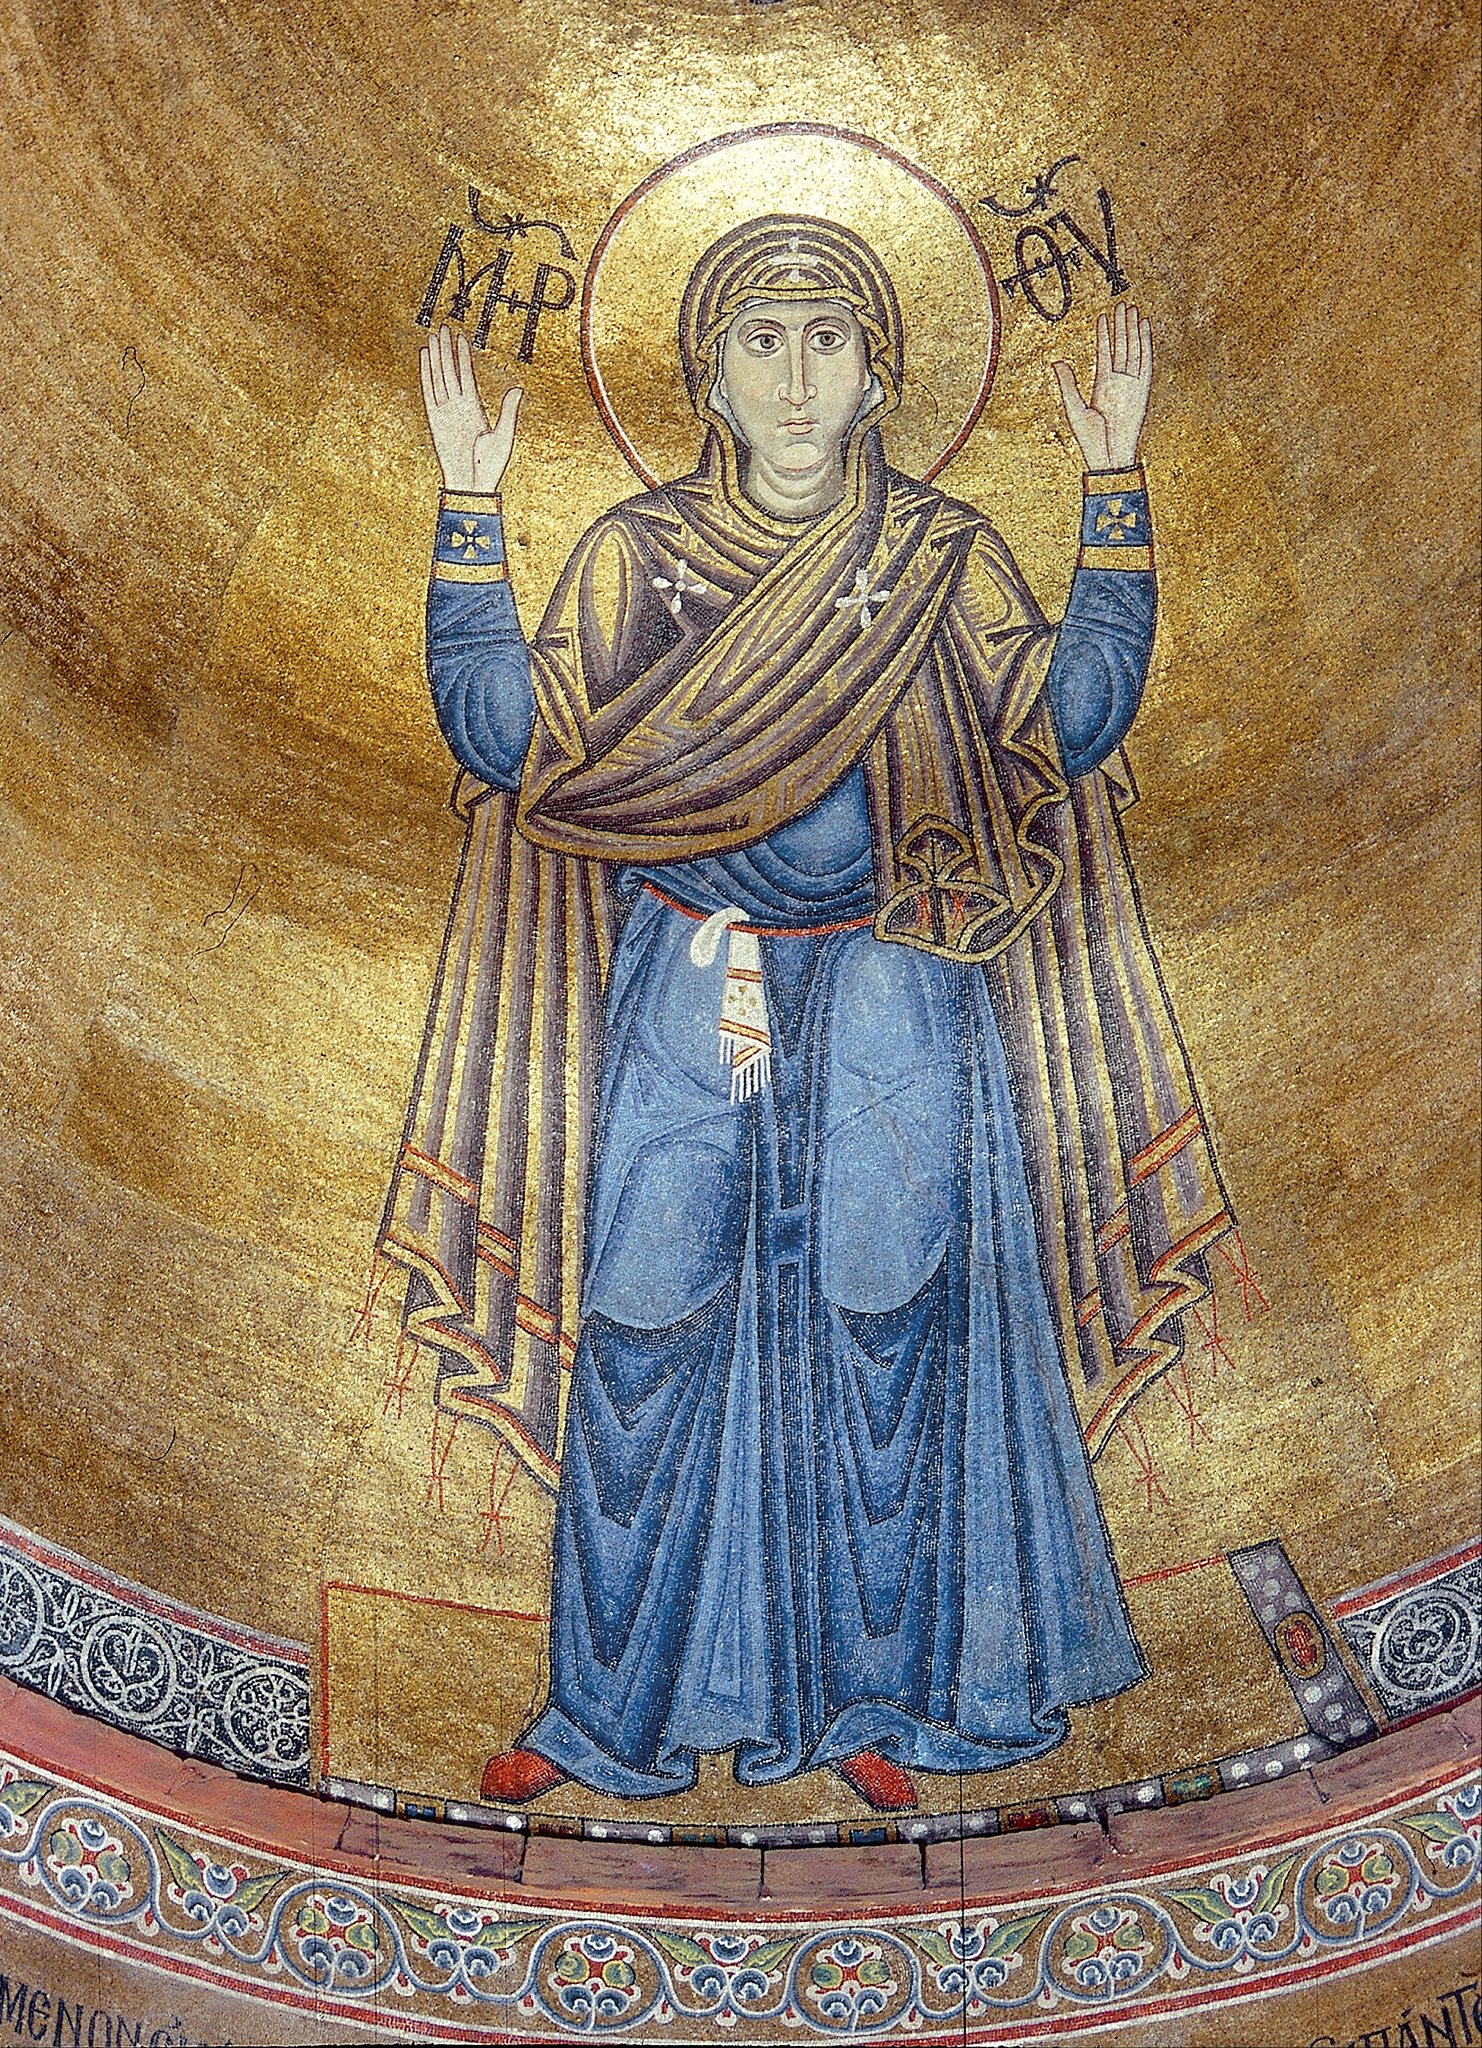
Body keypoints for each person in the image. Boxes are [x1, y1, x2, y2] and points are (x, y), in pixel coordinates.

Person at [401, 215, 1233, 1813]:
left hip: (886, 963)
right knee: (647, 1312)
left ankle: (873, 1691)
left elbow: (1060, 722)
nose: (796, 379)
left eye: (829, 341)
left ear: (878, 376)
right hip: (705, 965)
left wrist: (1112, 489)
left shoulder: (937, 556)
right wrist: (468, 506)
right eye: (761, 342)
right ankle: (609, 1713)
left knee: (882, 1308)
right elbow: (516, 740)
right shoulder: (637, 556)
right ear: (707, 377)